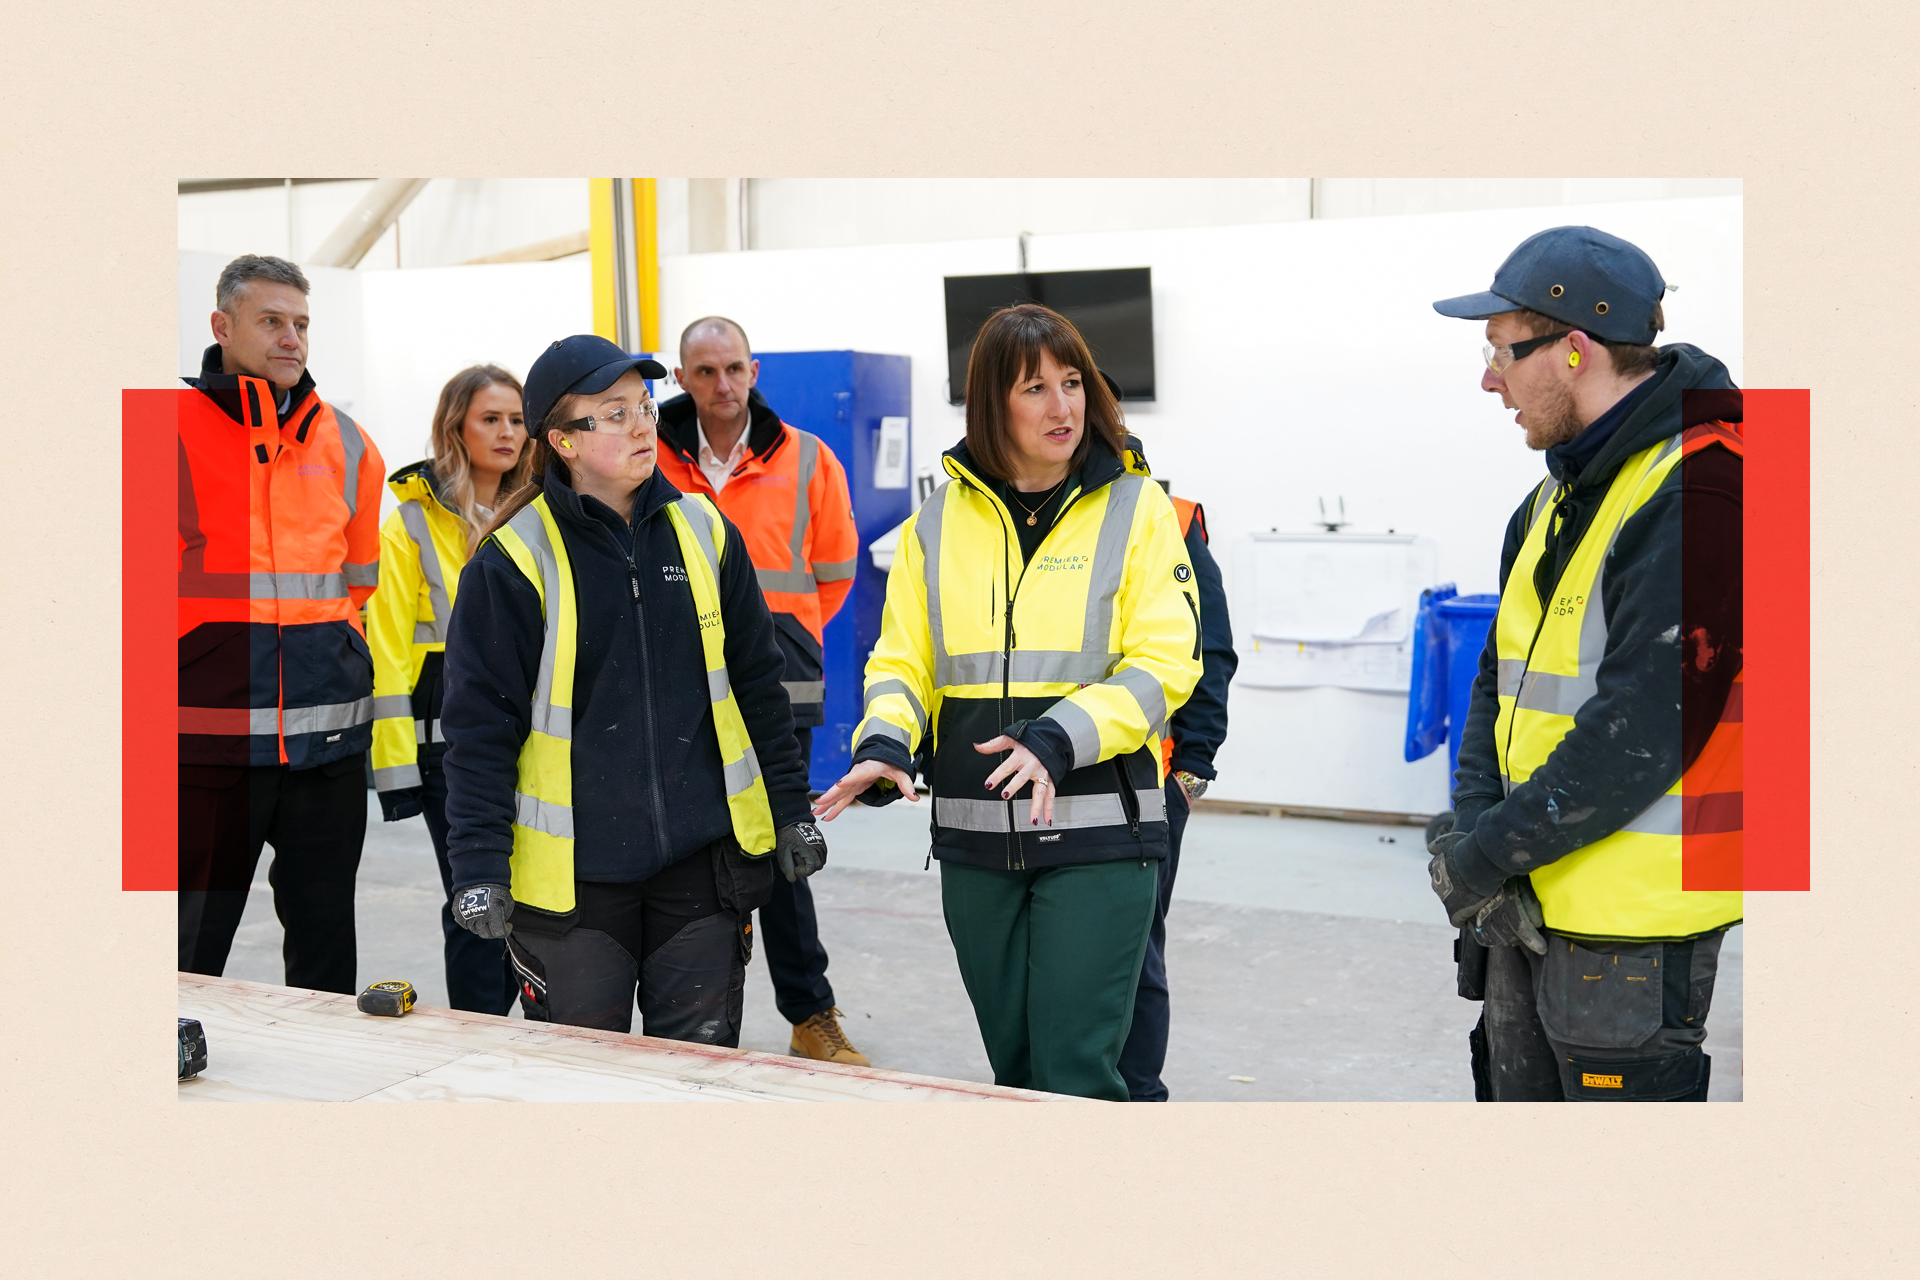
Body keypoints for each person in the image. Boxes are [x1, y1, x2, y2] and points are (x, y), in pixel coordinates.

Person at [813, 304, 1202, 1101]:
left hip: (1100, 838)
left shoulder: (1136, 509)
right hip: (975, 841)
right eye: (1036, 389)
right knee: (1013, 1077)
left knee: (1075, 1074)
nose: (1063, 408)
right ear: (993, 403)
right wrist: (884, 743)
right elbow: (902, 661)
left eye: (1072, 384)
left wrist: (1059, 736)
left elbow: (1168, 659)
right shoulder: (935, 526)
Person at [1428, 226, 1744, 1102]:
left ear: (1573, 350)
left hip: (1634, 930)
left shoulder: (1711, 486)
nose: (1490, 381)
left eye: (1502, 352)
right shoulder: (1551, 499)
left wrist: (1483, 854)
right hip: (1528, 902)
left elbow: (1646, 725)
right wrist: (1475, 835)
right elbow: (1500, 683)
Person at [438, 335, 825, 1045]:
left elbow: (758, 690)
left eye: (644, 407)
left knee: (697, 1079)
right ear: (562, 441)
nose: (644, 424)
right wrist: (478, 869)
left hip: (700, 876)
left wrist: (792, 810)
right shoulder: (513, 561)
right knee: (585, 1093)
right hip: (574, 891)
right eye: (613, 415)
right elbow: (478, 733)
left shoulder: (706, 532)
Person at [654, 316, 868, 1065]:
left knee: (783, 844)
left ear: (755, 371)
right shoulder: (647, 455)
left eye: (734, 369)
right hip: (670, 685)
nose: (722, 385)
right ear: (681, 378)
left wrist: (775, 639)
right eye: (705, 372)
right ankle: (698, 1017)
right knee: (686, 846)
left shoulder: (808, 458)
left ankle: (811, 1013)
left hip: (778, 680)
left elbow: (835, 572)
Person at [177, 254, 386, 995]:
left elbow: (359, 587)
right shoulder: (157, 431)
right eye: (271, 322)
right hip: (197, 749)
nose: (291, 338)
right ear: (221, 326)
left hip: (325, 749)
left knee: (327, 958)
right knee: (180, 959)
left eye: (300, 323)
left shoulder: (352, 444)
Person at [367, 365, 531, 1014]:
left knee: (544, 897)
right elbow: (387, 649)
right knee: (476, 897)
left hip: (536, 738)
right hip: (448, 751)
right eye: (491, 418)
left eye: (517, 419)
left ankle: (541, 1035)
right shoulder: (410, 523)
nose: (508, 432)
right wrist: (395, 765)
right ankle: (475, 1040)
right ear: (455, 427)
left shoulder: (542, 511)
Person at [1118, 477, 1238, 1102]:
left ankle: (1138, 1097)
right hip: (1040, 778)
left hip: (1147, 781)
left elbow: (1211, 651)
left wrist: (1192, 771)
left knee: (1135, 951)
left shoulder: (1172, 515)